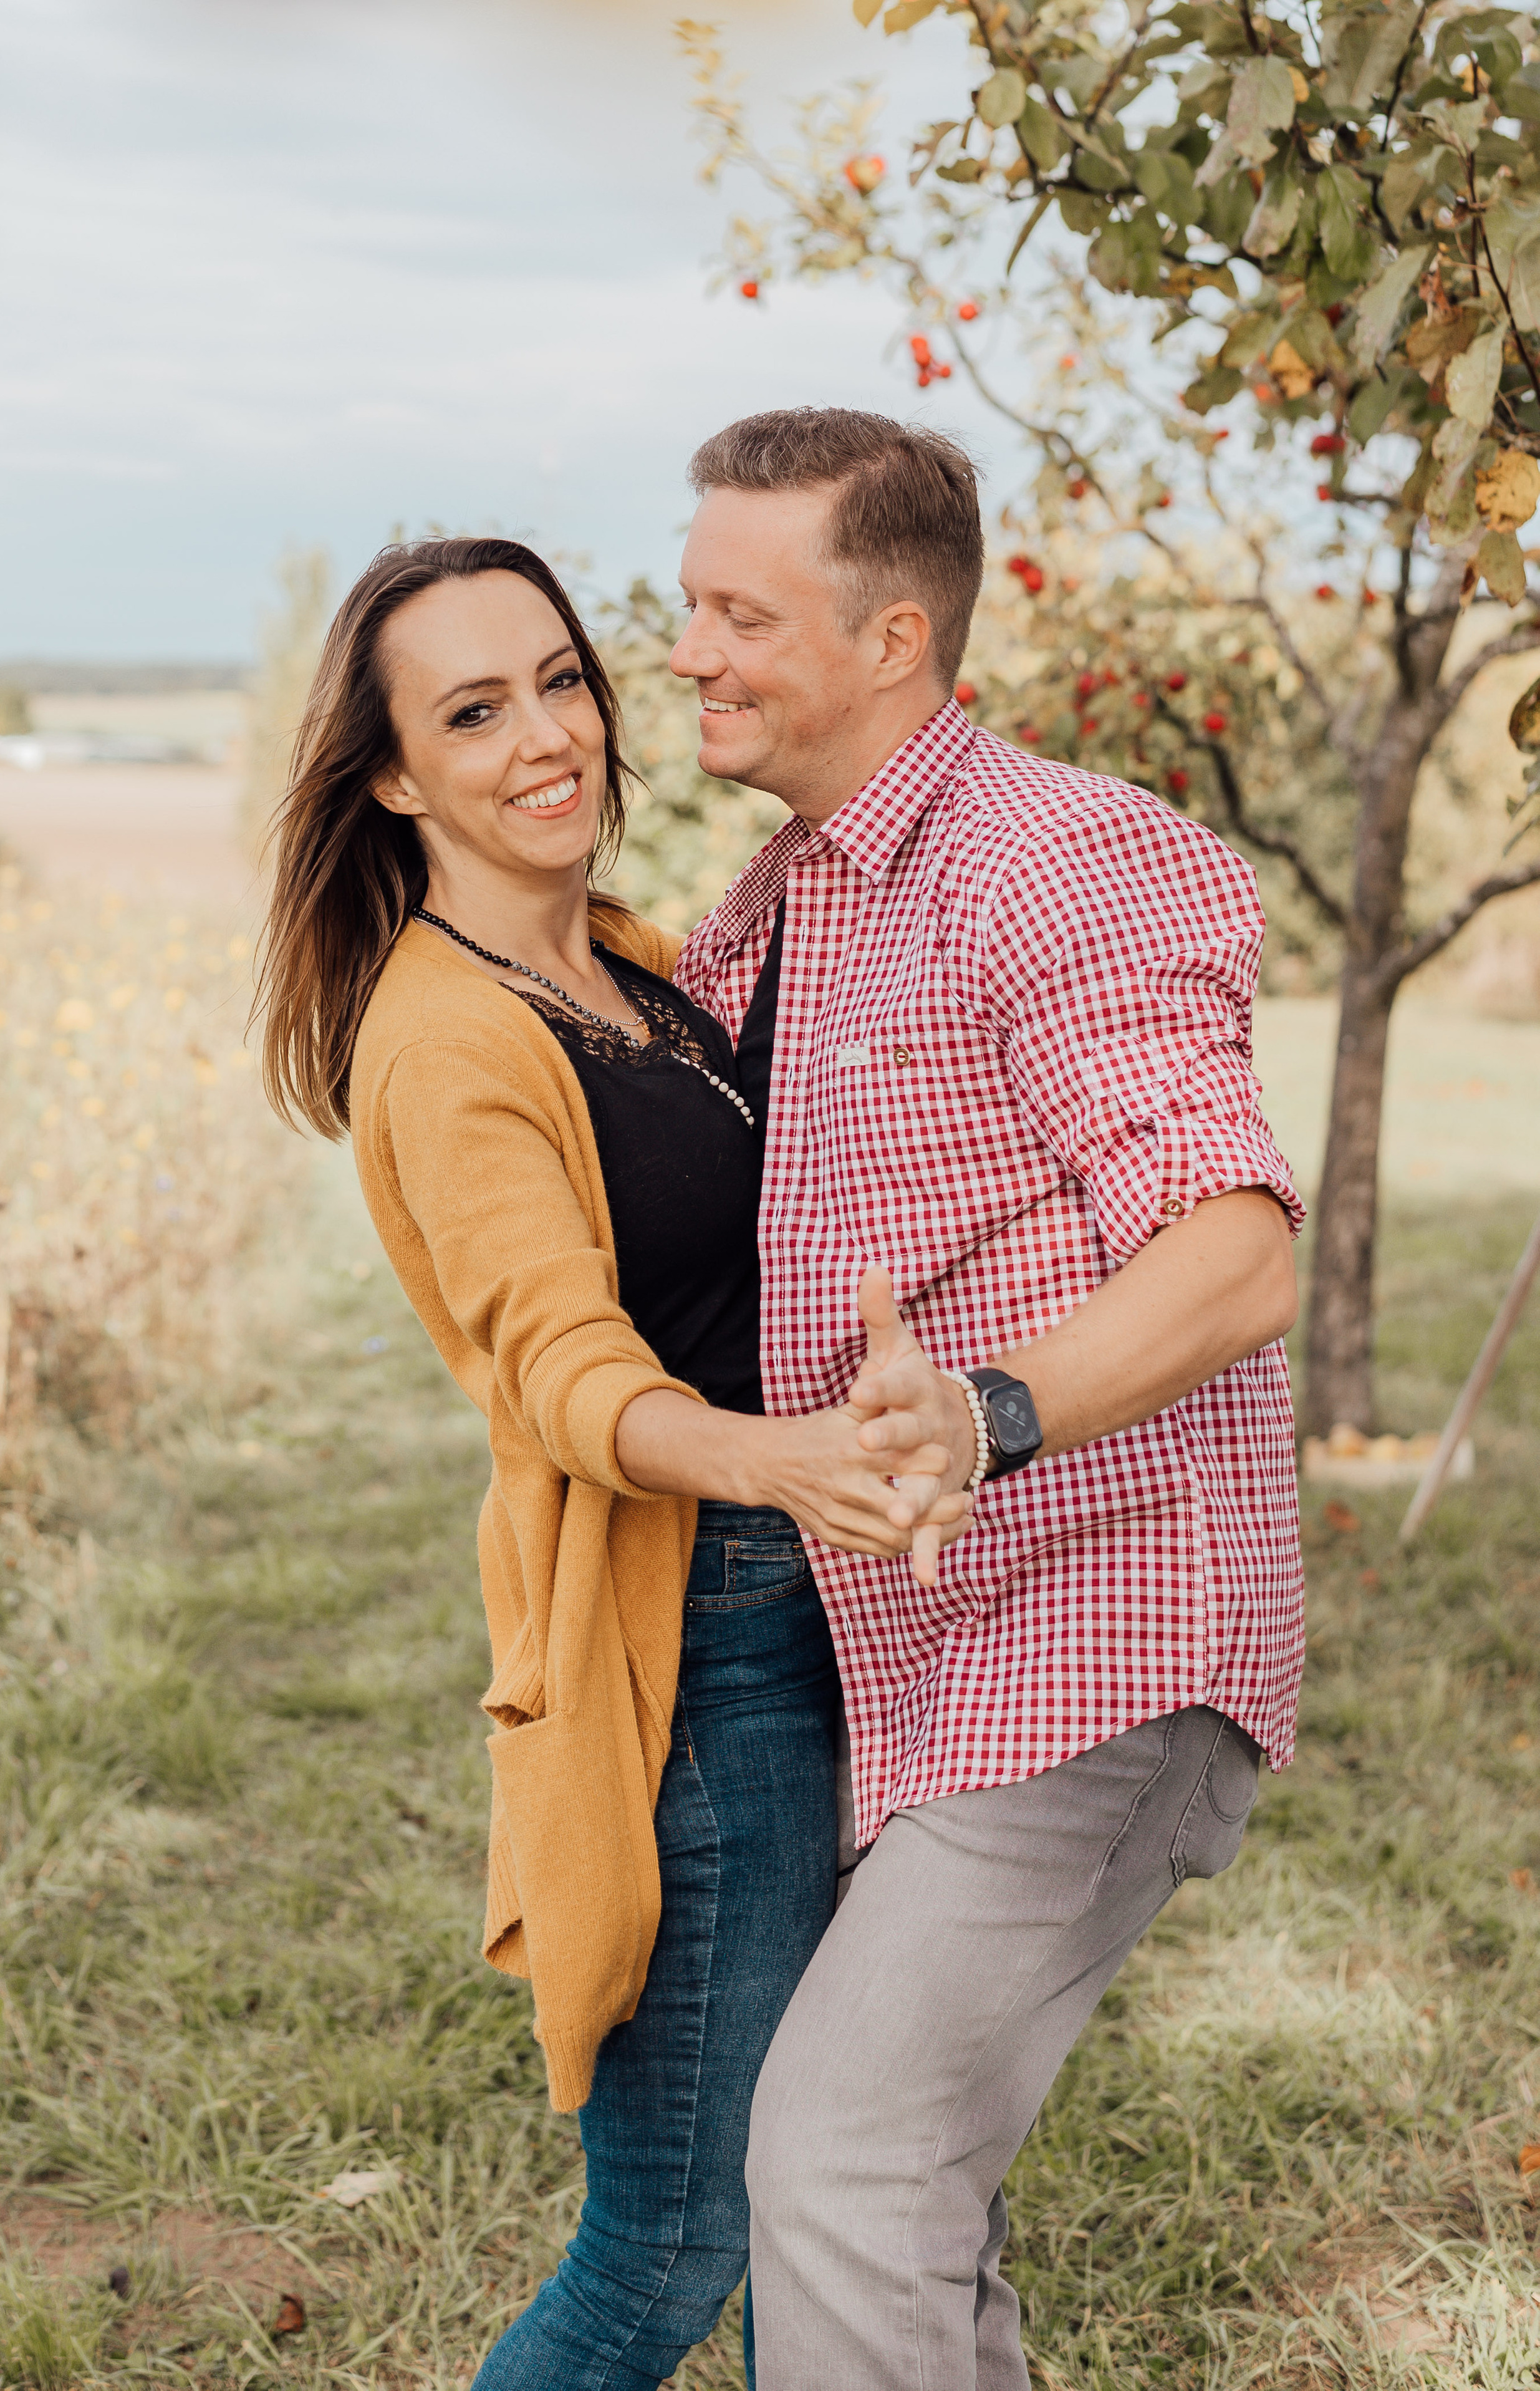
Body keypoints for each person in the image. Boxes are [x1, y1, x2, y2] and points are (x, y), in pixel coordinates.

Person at [252, 534, 968, 2391]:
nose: (544, 735)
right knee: (673, 2237)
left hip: (807, 1592)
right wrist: (779, 1461)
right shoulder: (446, 1038)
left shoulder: (627, 965)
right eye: (473, 711)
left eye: (559, 679)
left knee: (848, 2167)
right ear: (395, 774)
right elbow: (564, 1372)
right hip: (699, 1644)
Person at [668, 409, 1305, 2390]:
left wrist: (989, 1412)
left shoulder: (1058, 856)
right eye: (688, 603)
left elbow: (1235, 1248)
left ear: (893, 638)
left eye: (741, 614)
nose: (690, 650)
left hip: (1092, 1634)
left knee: (848, 2164)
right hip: (909, 1652)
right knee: (918, 2214)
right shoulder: (782, 899)